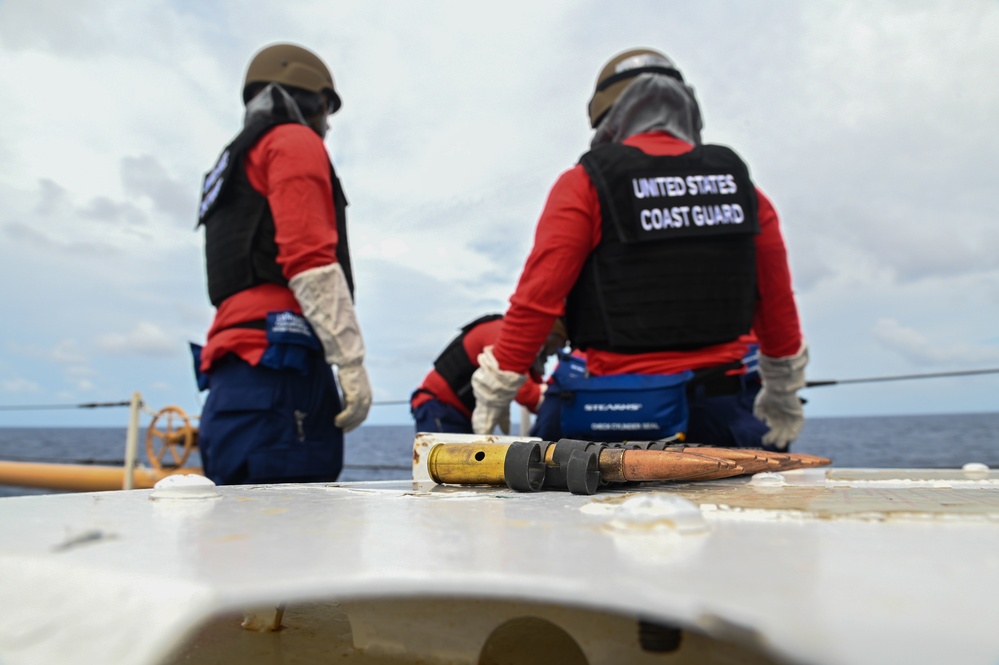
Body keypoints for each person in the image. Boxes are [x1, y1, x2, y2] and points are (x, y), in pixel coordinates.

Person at [471, 48, 807, 451]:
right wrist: (784, 394)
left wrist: (497, 392)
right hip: (721, 413)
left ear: (606, 118)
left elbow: (537, 301)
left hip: (607, 416)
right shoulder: (744, 191)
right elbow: (776, 304)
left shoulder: (584, 184)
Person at [194, 42, 372, 485]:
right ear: (309, 96)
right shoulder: (293, 140)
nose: (326, 124)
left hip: (233, 372)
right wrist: (350, 361)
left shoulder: (233, 161)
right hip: (282, 369)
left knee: (235, 535)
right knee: (298, 537)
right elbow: (309, 260)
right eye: (326, 108)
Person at [411, 315, 566, 434]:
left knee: (461, 472)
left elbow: (533, 390)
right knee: (442, 471)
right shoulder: (501, 333)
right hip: (438, 406)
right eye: (558, 344)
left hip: (461, 413)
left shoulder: (516, 344)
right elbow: (524, 392)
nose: (553, 353)